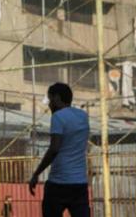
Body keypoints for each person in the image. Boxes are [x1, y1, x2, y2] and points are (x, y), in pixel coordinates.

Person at [29, 83, 90, 217]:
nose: (50, 105)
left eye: (50, 100)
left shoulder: (58, 117)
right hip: (80, 183)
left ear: (57, 98)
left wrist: (36, 173)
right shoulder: (83, 116)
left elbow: (54, 148)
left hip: (59, 183)